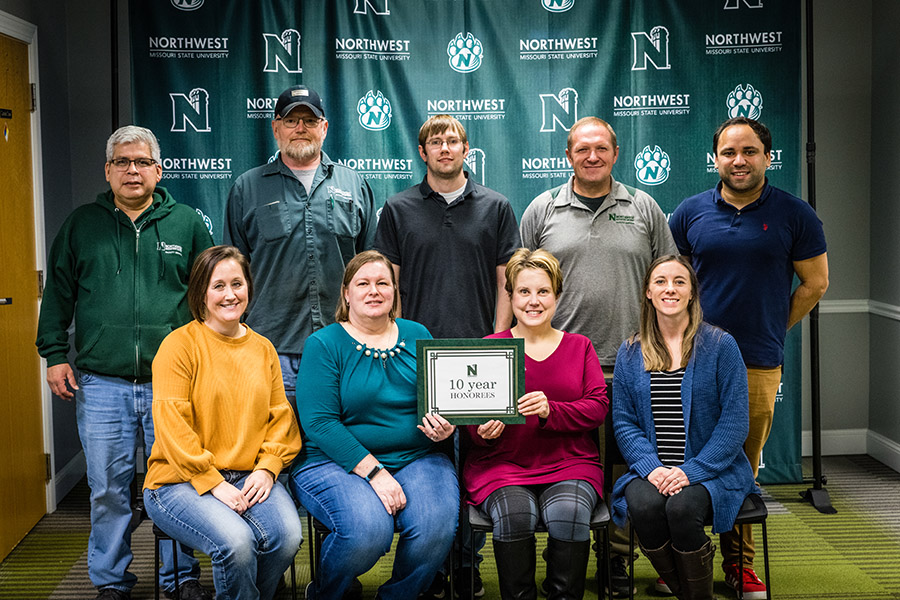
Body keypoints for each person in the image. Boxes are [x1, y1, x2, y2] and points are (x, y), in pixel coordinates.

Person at [35, 126, 213, 600]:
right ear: (108, 171)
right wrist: (54, 355)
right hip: (101, 383)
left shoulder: (187, 225)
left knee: (176, 484)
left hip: (172, 384)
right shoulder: (81, 225)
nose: (132, 171)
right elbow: (58, 296)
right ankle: (111, 581)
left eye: (141, 162)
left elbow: (210, 300)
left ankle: (180, 577)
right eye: (122, 163)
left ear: (159, 169)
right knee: (108, 489)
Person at [670, 117, 828, 598]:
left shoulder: (795, 214)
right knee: (683, 456)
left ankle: (740, 565)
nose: (739, 160)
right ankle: (683, 556)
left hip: (757, 360)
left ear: (767, 156)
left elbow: (816, 284)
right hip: (690, 358)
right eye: (729, 152)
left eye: (750, 151)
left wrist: (771, 325)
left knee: (741, 464)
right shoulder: (690, 212)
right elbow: (674, 283)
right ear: (715, 158)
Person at [520, 116, 676, 597]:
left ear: (615, 153)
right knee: (565, 459)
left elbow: (667, 279)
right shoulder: (542, 209)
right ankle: (560, 545)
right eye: (582, 149)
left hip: (634, 363)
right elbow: (520, 282)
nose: (592, 156)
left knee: (625, 466)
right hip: (559, 366)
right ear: (568, 155)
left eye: (601, 148)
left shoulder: (644, 207)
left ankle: (618, 557)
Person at [375, 113, 521, 597]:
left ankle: (467, 565)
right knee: (431, 462)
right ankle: (433, 567)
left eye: (452, 140)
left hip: (480, 357)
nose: (444, 148)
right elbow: (388, 286)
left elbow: (506, 281)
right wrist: (398, 344)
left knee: (475, 461)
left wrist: (499, 343)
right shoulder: (397, 209)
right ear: (422, 152)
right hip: (418, 358)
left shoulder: (497, 207)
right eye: (434, 142)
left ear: (465, 149)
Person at [290, 250, 459, 600]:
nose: (374, 291)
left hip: (418, 456)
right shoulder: (323, 344)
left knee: (435, 526)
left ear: (395, 291)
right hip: (334, 462)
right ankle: (325, 592)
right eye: (363, 283)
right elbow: (319, 423)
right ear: (346, 293)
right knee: (368, 531)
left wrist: (447, 427)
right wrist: (375, 473)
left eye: (383, 283)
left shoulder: (417, 333)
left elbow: (441, 400)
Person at [143, 245, 303, 600]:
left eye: (237, 284)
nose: (230, 295)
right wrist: (211, 481)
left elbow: (280, 419)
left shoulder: (263, 349)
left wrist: (268, 468)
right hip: (177, 481)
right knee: (238, 544)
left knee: (287, 537)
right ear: (200, 292)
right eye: (218, 286)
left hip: (250, 475)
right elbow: (172, 426)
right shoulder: (179, 346)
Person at [611, 255, 759, 600]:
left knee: (681, 509)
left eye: (679, 281)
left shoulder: (722, 346)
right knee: (644, 506)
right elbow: (624, 422)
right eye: (660, 281)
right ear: (648, 292)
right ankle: (690, 593)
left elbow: (734, 423)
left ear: (692, 292)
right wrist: (652, 468)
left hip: (711, 472)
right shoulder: (631, 352)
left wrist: (691, 471)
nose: (670, 289)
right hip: (655, 471)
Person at [464, 248, 608, 600]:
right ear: (510, 297)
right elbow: (469, 421)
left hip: (570, 463)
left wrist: (551, 411)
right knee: (514, 516)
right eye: (524, 292)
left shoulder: (579, 346)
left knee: (569, 515)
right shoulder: (488, 348)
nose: (533, 301)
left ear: (557, 296)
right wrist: (482, 431)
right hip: (501, 467)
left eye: (543, 291)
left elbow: (598, 407)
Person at [224, 84, 377, 412]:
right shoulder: (246, 188)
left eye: (309, 121)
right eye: (291, 121)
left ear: (324, 128)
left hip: (346, 345)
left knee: (343, 446)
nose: (300, 129)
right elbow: (230, 275)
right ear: (276, 128)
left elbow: (373, 268)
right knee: (278, 449)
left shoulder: (355, 185)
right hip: (272, 348)